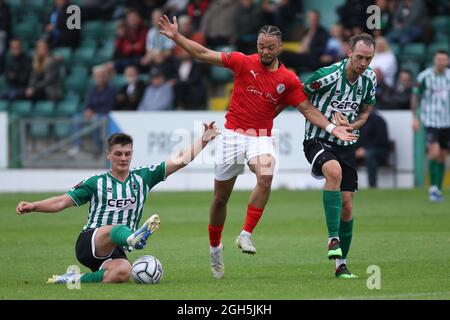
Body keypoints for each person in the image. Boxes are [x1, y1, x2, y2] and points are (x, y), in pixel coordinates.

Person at [158, 16, 357, 279]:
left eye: (270, 47)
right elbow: (203, 53)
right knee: (220, 198)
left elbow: (307, 109)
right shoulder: (243, 61)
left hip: (260, 137)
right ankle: (215, 248)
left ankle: (245, 234)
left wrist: (332, 128)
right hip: (231, 136)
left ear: (280, 47)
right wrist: (176, 37)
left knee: (266, 175)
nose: (264, 51)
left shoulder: (288, 78)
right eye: (261, 45)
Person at [16, 124, 220, 284]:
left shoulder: (143, 177)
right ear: (108, 155)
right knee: (115, 228)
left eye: (127, 154)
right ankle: (132, 237)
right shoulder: (96, 182)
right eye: (118, 154)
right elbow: (61, 202)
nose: (123, 158)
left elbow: (180, 160)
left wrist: (203, 139)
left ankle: (73, 279)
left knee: (123, 273)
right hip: (92, 241)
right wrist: (34, 206)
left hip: (116, 249)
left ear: (131, 154)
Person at [302, 33, 377, 279]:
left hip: (345, 145)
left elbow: (366, 112)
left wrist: (352, 126)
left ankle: (341, 265)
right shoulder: (326, 76)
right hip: (317, 139)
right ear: (349, 53)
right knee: (333, 171)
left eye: (368, 58)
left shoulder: (369, 79)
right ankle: (332, 239)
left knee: (347, 205)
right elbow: (300, 99)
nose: (364, 63)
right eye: (359, 57)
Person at [411, 49, 450, 202]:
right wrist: (415, 117)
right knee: (434, 152)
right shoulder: (425, 76)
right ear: (434, 60)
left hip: (447, 122)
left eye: (444, 59)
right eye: (438, 59)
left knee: (442, 156)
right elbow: (415, 96)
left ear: (447, 61)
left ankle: (438, 189)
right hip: (431, 120)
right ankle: (433, 187)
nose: (441, 62)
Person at [355, 110, 390, 188]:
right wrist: (357, 150)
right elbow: (356, 138)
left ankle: (372, 186)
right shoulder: (359, 121)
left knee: (369, 155)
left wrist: (365, 149)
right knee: (347, 154)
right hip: (363, 151)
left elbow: (381, 140)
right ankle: (349, 185)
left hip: (380, 151)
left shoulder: (379, 120)